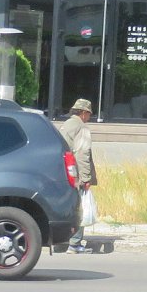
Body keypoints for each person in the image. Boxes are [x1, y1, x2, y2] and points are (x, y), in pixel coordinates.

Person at [58, 97, 97, 252]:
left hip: (63, 171)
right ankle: (75, 243)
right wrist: (86, 178)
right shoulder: (82, 128)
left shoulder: (66, 125)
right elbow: (83, 153)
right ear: (83, 113)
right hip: (76, 173)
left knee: (67, 206)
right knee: (80, 207)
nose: (89, 117)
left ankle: (63, 239)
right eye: (89, 114)